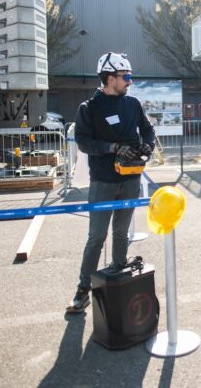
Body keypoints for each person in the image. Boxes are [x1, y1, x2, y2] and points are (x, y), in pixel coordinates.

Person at [67, 52, 156, 313]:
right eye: (125, 76)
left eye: (130, 76)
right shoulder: (88, 108)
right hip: (103, 182)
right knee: (96, 236)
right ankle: (83, 289)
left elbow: (148, 130)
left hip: (131, 178)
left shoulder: (133, 104)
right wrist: (113, 147)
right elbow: (84, 142)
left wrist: (148, 146)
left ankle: (118, 280)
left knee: (121, 232)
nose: (130, 81)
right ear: (109, 78)